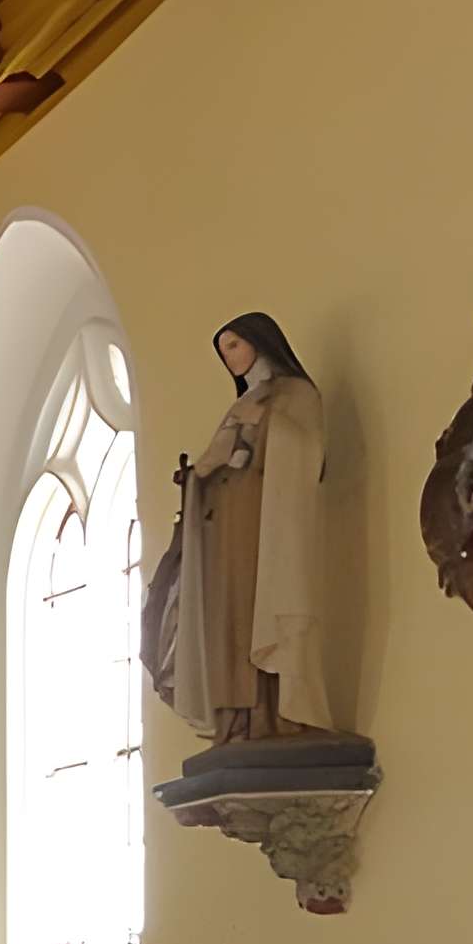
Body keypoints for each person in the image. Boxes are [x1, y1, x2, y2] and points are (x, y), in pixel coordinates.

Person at [143, 312, 334, 741]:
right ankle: (237, 722)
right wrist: (196, 480)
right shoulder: (241, 404)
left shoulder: (296, 394)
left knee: (264, 611)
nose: (228, 357)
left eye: (233, 345)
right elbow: (217, 460)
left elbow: (309, 452)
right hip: (228, 529)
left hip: (266, 527)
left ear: (257, 341)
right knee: (228, 620)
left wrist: (264, 425)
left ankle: (277, 715)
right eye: (222, 350)